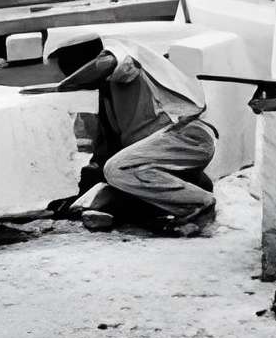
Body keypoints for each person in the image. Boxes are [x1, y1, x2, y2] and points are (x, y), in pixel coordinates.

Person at [43, 35, 216, 236]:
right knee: (116, 187)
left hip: (185, 137)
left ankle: (200, 205)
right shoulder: (105, 101)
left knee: (116, 169)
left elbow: (107, 63)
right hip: (163, 156)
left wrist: (63, 85)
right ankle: (191, 198)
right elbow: (102, 156)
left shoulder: (124, 66)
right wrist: (74, 198)